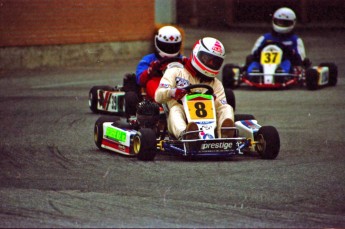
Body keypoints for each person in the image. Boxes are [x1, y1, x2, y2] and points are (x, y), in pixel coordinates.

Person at [154, 37, 234, 139]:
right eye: (207, 59)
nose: (211, 64)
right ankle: (186, 135)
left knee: (227, 107)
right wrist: (172, 92)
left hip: (209, 121)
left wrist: (214, 101)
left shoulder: (216, 83)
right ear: (197, 53)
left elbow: (221, 106)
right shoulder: (175, 72)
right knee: (175, 109)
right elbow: (158, 96)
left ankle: (225, 135)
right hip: (183, 118)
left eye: (215, 62)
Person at [247, 7, 308, 74]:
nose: (281, 25)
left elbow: (301, 59)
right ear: (274, 21)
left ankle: (281, 74)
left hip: (285, 63)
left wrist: (288, 52)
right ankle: (254, 74)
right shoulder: (264, 38)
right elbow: (253, 55)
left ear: (292, 23)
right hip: (263, 64)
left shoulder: (295, 40)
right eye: (279, 22)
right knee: (254, 65)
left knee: (287, 63)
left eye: (285, 23)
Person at [136, 25, 186, 100]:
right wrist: (150, 71)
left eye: (173, 46)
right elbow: (139, 80)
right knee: (151, 84)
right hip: (159, 84)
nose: (170, 49)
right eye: (166, 46)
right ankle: (162, 103)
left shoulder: (183, 60)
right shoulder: (148, 60)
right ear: (157, 42)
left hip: (179, 84)